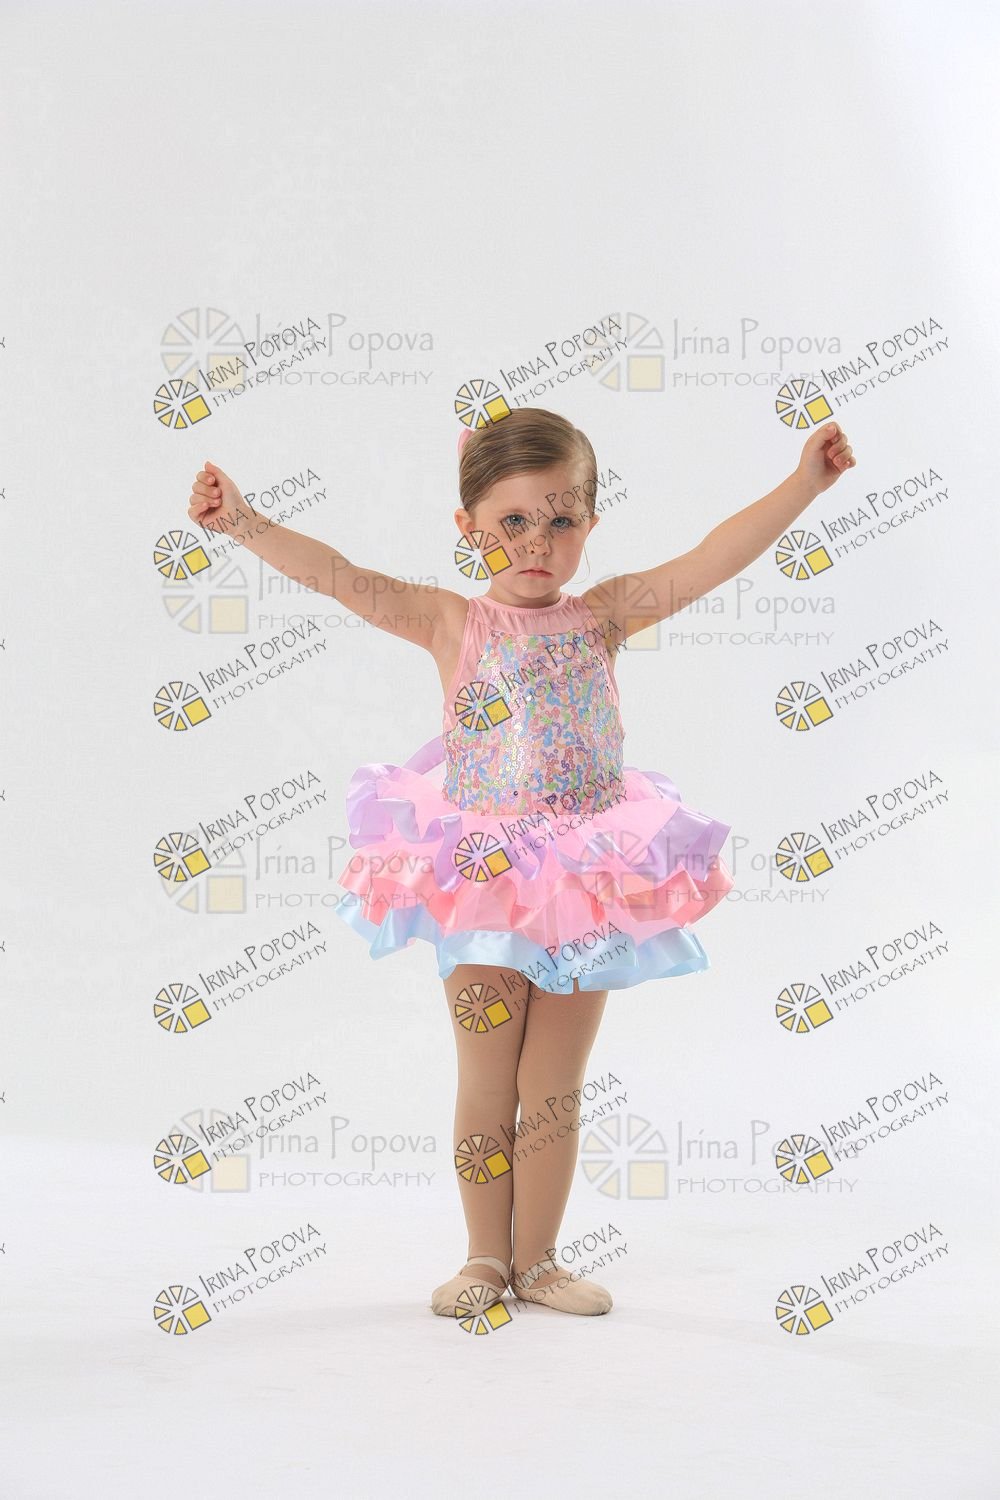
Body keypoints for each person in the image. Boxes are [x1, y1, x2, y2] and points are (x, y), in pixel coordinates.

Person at [186, 405, 855, 1319]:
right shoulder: (450, 622)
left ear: (590, 524)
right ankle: (482, 1260)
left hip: (586, 882)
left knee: (552, 1087)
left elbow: (712, 557)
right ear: (467, 526)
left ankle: (538, 1262)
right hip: (484, 884)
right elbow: (342, 578)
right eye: (512, 521)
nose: (536, 542)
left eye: (560, 519)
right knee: (487, 1077)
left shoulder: (604, 616)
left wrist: (805, 483)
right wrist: (241, 521)